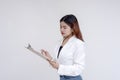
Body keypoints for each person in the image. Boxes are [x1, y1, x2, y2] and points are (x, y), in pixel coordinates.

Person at [41, 14, 85, 80]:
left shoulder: (78, 44)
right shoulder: (59, 43)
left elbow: (79, 68)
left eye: (65, 27)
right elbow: (62, 62)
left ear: (73, 28)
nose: (61, 30)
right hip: (62, 78)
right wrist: (50, 58)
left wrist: (59, 67)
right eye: (60, 27)